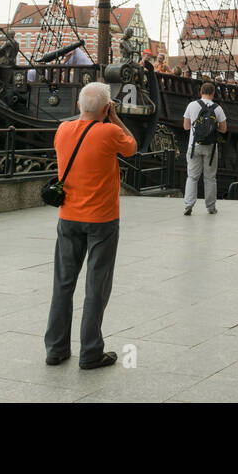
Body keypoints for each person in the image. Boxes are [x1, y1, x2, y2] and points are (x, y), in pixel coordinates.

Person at [44, 81, 136, 369]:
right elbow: (132, 146)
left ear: (77, 106)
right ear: (107, 109)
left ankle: (56, 350)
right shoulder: (109, 132)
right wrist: (115, 117)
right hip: (102, 220)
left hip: (68, 218)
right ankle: (91, 352)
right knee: (96, 286)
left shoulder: (62, 130)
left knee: (63, 284)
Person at [183, 81, 228, 215]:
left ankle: (188, 205)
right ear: (213, 93)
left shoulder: (191, 105)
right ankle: (211, 207)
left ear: (200, 92)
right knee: (210, 178)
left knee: (192, 177)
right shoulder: (217, 108)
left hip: (194, 145)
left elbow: (186, 127)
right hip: (211, 147)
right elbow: (224, 129)